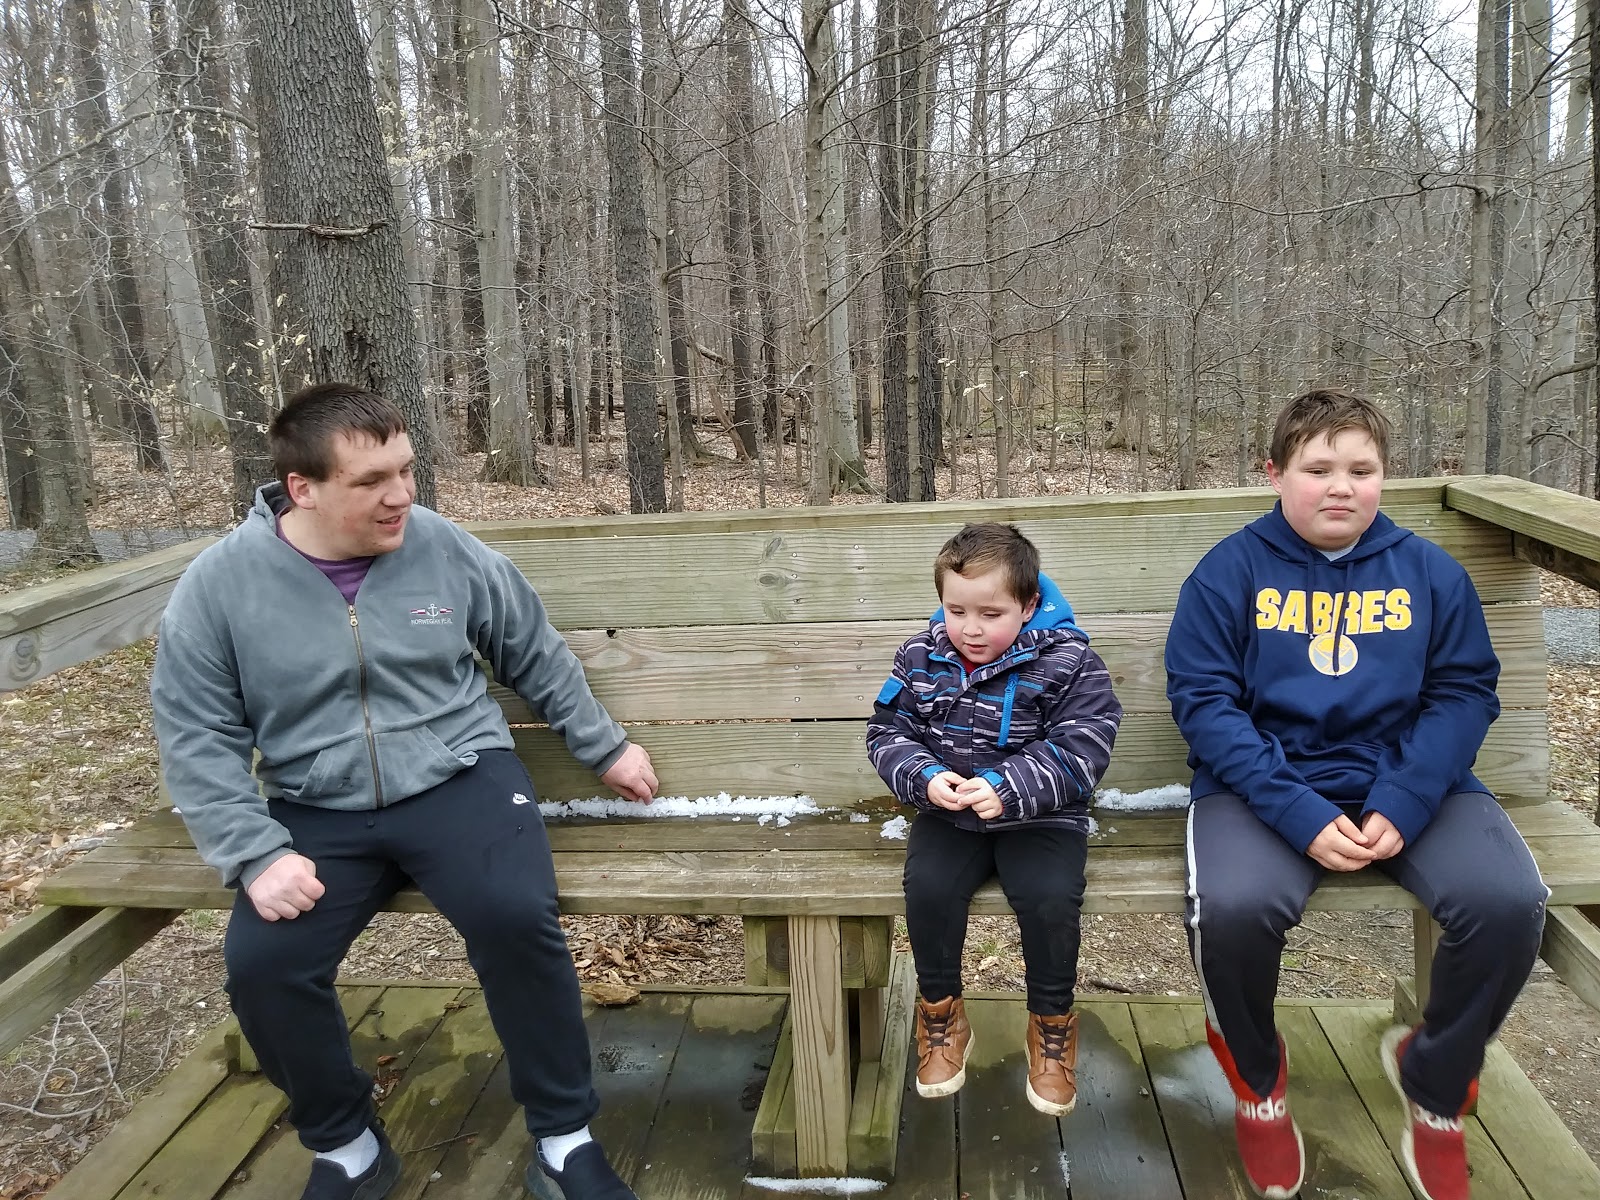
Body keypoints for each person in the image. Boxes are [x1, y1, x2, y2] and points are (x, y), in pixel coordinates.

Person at [150, 383, 656, 1200]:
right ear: (302, 487)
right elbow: (196, 732)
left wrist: (603, 747)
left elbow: (531, 650)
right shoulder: (220, 586)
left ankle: (565, 1139)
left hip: (459, 775)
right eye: (372, 481)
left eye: (407, 470)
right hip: (315, 805)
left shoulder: (443, 548)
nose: (401, 496)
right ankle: (346, 1145)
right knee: (263, 966)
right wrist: (254, 853)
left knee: (513, 916)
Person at [1165, 389, 1549, 1200]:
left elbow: (1464, 691)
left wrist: (1405, 798)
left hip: (1408, 778)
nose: (1340, 485)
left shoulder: (1428, 573)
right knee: (1232, 909)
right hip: (1263, 785)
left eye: (1361, 469)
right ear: (1274, 473)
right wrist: (1299, 813)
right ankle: (1258, 1080)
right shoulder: (1228, 573)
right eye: (1318, 468)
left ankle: (1437, 1083)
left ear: (1385, 477)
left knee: (1507, 901)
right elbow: (1205, 704)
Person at [866, 522, 1122, 1116]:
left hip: (1043, 817)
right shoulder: (921, 656)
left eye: (990, 613)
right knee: (928, 887)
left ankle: (1052, 1029)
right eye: (956, 610)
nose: (971, 629)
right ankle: (941, 1014)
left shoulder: (1070, 662)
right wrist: (926, 777)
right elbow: (888, 731)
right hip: (950, 812)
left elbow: (1087, 742)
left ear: (1029, 606)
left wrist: (1010, 786)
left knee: (1049, 896)